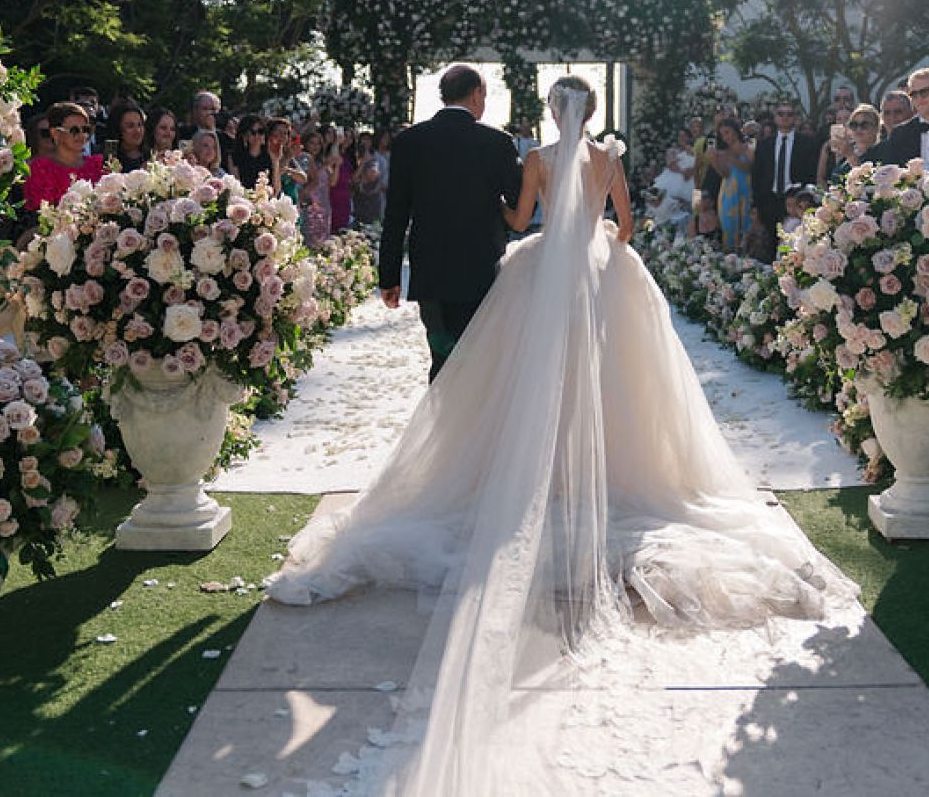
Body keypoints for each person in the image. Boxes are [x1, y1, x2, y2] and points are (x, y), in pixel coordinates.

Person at [267, 77, 856, 794]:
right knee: (613, 379)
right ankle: (602, 471)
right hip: (601, 272)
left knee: (532, 376)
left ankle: (537, 469)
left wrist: (508, 210)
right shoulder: (609, 157)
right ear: (596, 114)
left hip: (544, 267)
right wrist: (599, 237)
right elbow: (627, 226)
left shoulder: (538, 159)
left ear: (552, 113)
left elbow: (520, 221)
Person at [378, 65, 522, 380]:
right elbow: (519, 202)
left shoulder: (409, 141)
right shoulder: (497, 142)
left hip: (431, 269)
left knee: (443, 358)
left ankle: (442, 409)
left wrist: (389, 276)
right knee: (480, 362)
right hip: (481, 266)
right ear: (476, 94)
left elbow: (396, 214)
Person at [748, 101, 820, 261]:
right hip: (769, 201)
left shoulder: (807, 143)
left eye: (789, 114)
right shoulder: (765, 144)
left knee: (794, 249)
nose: (785, 117)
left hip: (796, 203)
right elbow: (756, 176)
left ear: (795, 118)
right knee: (768, 248)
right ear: (775, 118)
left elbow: (811, 174)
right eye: (781, 114)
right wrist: (756, 205)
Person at [21, 102, 104, 211]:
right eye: (74, 130)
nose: (81, 135)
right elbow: (38, 211)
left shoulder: (98, 165)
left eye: (85, 129)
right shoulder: (40, 169)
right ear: (55, 133)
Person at [702, 117, 752, 253]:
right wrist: (714, 161)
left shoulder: (747, 147)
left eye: (727, 132)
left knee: (747, 225)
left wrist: (732, 157)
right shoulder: (723, 151)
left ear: (736, 131)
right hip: (729, 192)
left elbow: (749, 168)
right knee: (729, 225)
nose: (726, 137)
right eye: (722, 134)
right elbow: (725, 174)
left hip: (746, 190)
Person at [819, 103, 883, 183]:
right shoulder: (848, 149)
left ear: (876, 128)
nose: (858, 129)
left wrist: (850, 156)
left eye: (864, 125)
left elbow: (869, 184)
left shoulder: (881, 152)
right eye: (854, 125)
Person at [352, 129, 389, 225]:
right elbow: (353, 179)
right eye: (363, 139)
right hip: (358, 199)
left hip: (374, 199)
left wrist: (375, 187)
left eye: (368, 139)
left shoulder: (379, 159)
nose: (365, 142)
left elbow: (380, 179)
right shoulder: (354, 157)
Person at [105, 98, 149, 172]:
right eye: (130, 126)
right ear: (117, 128)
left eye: (140, 125)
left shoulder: (150, 157)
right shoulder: (106, 156)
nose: (137, 131)